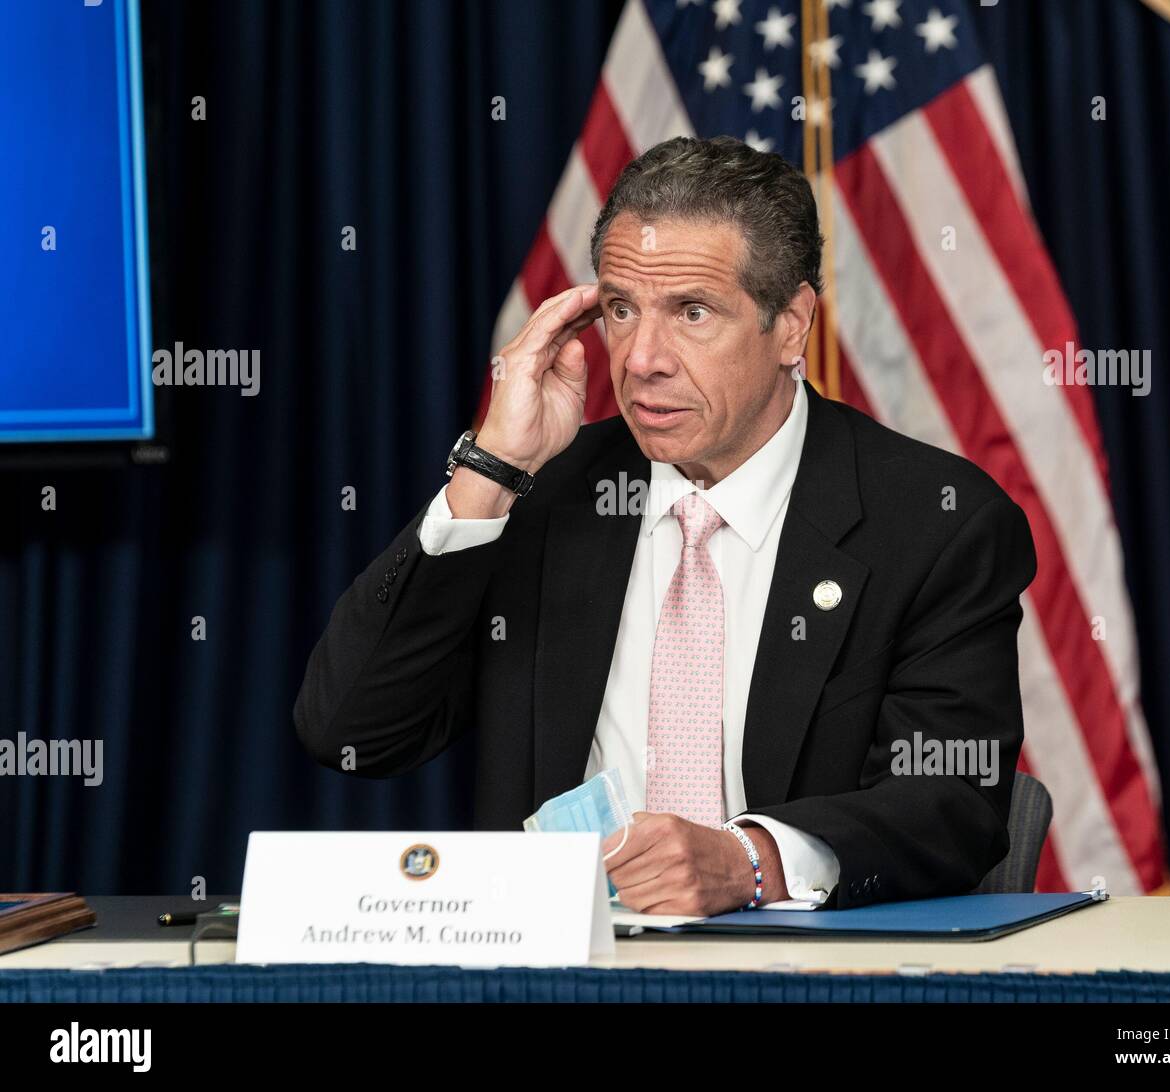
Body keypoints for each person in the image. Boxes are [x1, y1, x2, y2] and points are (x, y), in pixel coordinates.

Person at [295, 135, 1036, 916]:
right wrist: (489, 470)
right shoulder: (543, 495)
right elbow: (352, 731)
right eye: (620, 309)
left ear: (791, 328)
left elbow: (951, 802)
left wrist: (748, 860)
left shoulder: (934, 523)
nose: (642, 357)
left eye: (692, 312)